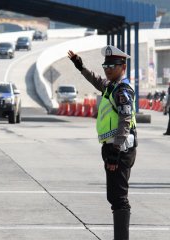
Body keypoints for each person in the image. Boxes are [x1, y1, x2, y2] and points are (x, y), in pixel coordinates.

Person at [68, 45, 137, 240]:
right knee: (114, 197)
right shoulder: (111, 87)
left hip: (120, 148)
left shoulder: (123, 90)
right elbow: (97, 80)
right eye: (105, 64)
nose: (107, 68)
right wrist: (80, 67)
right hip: (111, 147)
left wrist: (116, 150)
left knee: (119, 198)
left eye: (112, 65)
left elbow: (125, 119)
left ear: (122, 66)